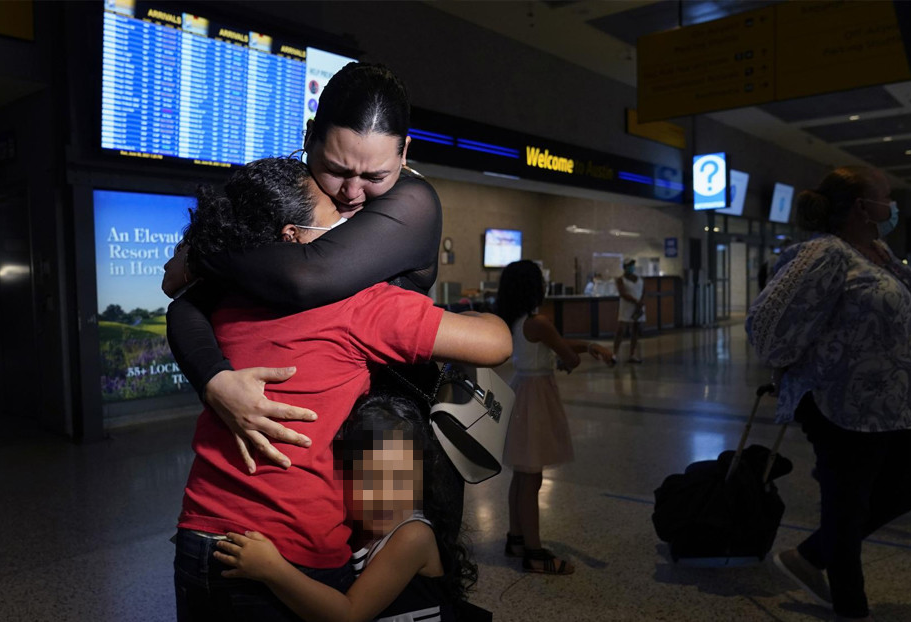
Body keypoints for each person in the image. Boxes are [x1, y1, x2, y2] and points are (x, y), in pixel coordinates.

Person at [172, 157, 511, 621]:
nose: (351, 222)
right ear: (294, 238)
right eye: (335, 214)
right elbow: (496, 342)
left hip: (199, 535)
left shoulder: (226, 297)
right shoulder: (359, 305)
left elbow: (180, 305)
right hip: (289, 550)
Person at [164, 62, 443, 476]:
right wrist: (214, 382)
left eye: (375, 176)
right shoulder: (286, 200)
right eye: (336, 169)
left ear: (404, 153)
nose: (352, 193)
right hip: (298, 455)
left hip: (385, 448)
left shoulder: (413, 205)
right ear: (309, 135)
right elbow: (188, 305)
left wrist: (201, 254)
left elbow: (306, 277)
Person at [746, 166, 911, 622]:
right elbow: (768, 324)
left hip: (892, 405)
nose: (892, 204)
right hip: (841, 405)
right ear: (861, 206)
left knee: (900, 494)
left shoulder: (878, 251)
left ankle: (809, 557)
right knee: (847, 505)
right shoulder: (823, 254)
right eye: (886, 196)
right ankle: (851, 609)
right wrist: (802, 366)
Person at [214, 393, 477, 622]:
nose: (384, 496)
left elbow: (349, 615)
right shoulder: (354, 529)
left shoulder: (414, 537)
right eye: (369, 479)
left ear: (422, 480)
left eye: (401, 480)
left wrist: (272, 570)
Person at [495, 260, 612, 575]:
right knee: (532, 476)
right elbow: (564, 353)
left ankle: (516, 537)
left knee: (522, 473)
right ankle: (534, 552)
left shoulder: (518, 321)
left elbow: (553, 345)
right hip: (536, 397)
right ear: (536, 287)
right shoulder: (539, 321)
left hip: (522, 390)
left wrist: (589, 346)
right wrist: (577, 356)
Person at [613, 258, 645, 364]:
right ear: (625, 267)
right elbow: (622, 293)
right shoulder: (621, 279)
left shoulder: (639, 279)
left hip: (638, 308)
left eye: (632, 265)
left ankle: (632, 354)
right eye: (629, 265)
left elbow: (644, 292)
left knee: (636, 330)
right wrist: (636, 301)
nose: (632, 267)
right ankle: (614, 354)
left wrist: (641, 303)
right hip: (626, 307)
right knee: (621, 330)